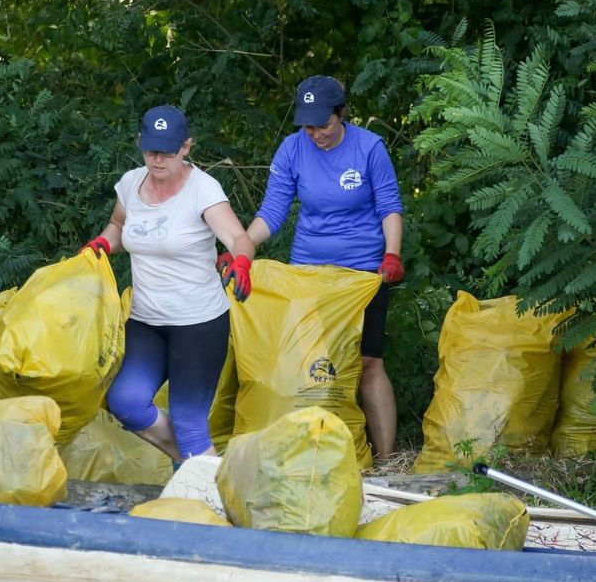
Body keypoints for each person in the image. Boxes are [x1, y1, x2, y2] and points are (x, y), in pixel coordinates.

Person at [234, 75, 404, 460]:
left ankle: (387, 459)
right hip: (308, 275)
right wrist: (242, 247)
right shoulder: (292, 150)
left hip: (363, 275)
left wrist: (392, 254)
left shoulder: (369, 148)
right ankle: (311, 452)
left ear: (341, 115)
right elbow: (273, 211)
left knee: (368, 361)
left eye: (323, 124)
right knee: (308, 364)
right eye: (308, 126)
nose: (316, 134)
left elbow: (389, 206)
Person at [83, 105, 254, 462]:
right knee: (125, 402)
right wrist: (100, 245)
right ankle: (204, 469)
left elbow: (239, 238)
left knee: (190, 423)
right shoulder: (131, 184)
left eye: (168, 151)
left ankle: (207, 493)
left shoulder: (203, 189)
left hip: (198, 324)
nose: (158, 159)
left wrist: (241, 261)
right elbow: (117, 227)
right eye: (150, 150)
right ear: (140, 145)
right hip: (147, 321)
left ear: (186, 147)